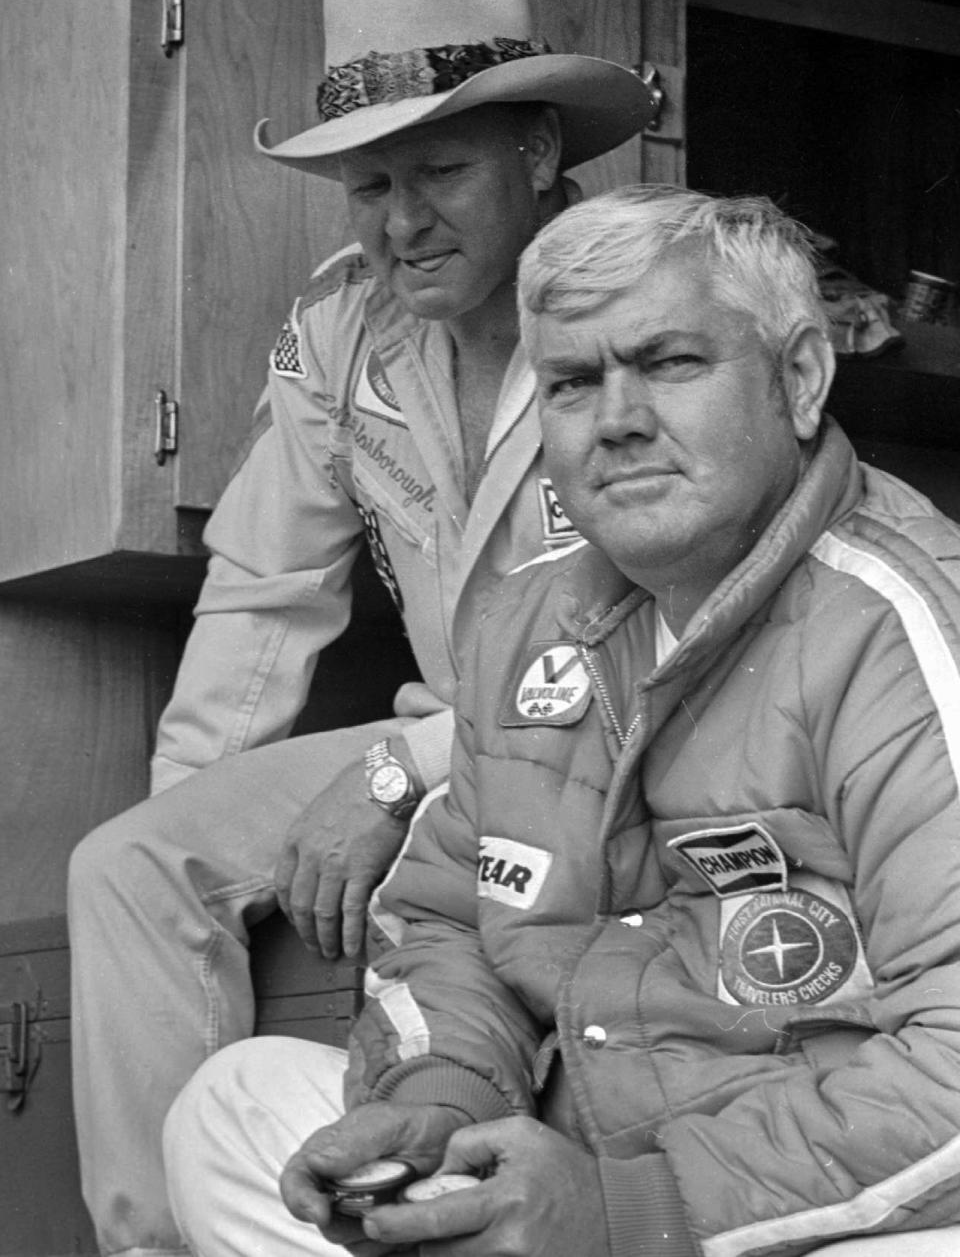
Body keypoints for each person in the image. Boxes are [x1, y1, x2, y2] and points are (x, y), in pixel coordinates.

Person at [163, 187, 960, 1257]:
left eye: (670, 362)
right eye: (574, 382)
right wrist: (445, 1092)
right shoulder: (529, 615)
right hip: (577, 1166)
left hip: (786, 1205)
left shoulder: (904, 622)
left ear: (801, 378)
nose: (618, 418)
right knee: (234, 1109)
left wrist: (628, 1210)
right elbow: (449, 920)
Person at [66, 0, 654, 1257]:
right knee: (126, 865)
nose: (399, 222)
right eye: (368, 185)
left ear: (540, 150)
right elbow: (263, 596)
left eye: (440, 172)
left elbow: (664, 640)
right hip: (445, 738)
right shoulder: (341, 334)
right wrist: (201, 831)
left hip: (612, 745)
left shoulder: (639, 318)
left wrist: (402, 772)